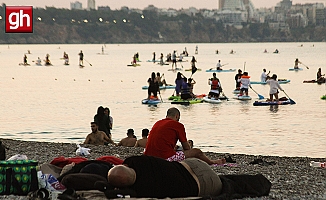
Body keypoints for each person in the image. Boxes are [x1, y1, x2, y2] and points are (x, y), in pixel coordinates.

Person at [144, 107, 226, 165]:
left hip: (148, 157)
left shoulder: (158, 123)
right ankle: (212, 162)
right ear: (177, 116)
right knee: (197, 151)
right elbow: (186, 147)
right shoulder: (178, 125)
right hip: (164, 158)